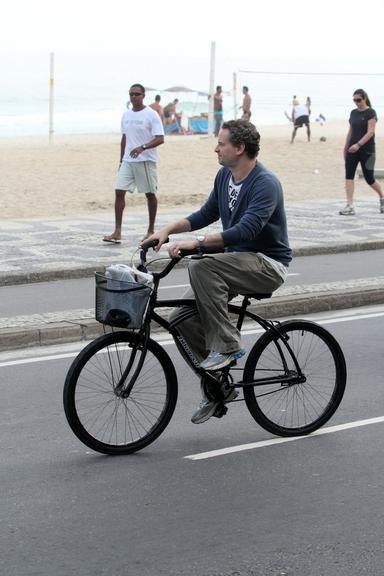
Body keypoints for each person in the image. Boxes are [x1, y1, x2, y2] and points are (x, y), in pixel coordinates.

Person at [145, 120, 292, 424]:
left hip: (266, 264)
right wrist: (168, 230)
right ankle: (218, 387)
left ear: (239, 148)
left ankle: (226, 345)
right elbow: (206, 214)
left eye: (221, 143)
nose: (216, 148)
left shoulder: (265, 183)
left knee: (201, 265)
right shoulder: (225, 176)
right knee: (181, 318)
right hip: (234, 262)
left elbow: (245, 230)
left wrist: (196, 244)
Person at [103, 84, 164, 243]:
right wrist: (121, 159)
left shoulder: (151, 115)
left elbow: (160, 138)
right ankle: (117, 231)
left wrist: (142, 147)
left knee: (150, 194)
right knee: (119, 191)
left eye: (137, 94)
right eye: (131, 94)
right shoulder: (127, 115)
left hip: (145, 160)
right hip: (128, 161)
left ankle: (150, 230)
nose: (134, 97)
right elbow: (124, 138)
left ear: (143, 96)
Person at [339, 88, 384, 216]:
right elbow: (351, 131)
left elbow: (370, 132)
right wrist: (346, 147)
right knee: (349, 176)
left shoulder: (371, 113)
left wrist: (358, 145)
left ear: (364, 98)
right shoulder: (353, 113)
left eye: (358, 100)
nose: (356, 102)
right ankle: (350, 205)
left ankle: (382, 197)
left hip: (367, 151)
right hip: (352, 150)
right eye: (354, 100)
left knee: (369, 178)